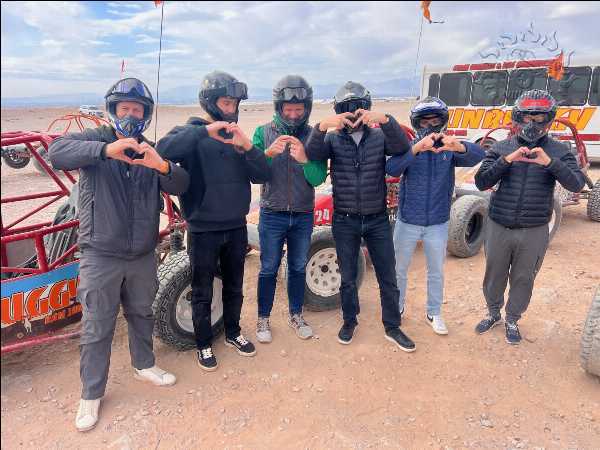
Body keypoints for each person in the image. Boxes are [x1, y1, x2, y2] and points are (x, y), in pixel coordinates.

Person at [49, 78, 189, 432]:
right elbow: (56, 152)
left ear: (146, 115)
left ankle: (144, 365)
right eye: (124, 109)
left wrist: (161, 166)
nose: (131, 115)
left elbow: (181, 184)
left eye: (137, 110)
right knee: (98, 325)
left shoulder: (150, 150)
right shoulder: (95, 140)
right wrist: (105, 151)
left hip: (142, 253)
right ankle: (91, 393)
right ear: (113, 111)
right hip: (100, 254)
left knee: (142, 313)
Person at [157, 71, 270, 370]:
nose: (232, 109)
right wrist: (205, 132)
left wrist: (248, 147)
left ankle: (233, 332)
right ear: (210, 102)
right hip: (203, 228)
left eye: (235, 103)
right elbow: (162, 151)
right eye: (226, 102)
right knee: (202, 290)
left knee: (234, 286)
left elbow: (263, 174)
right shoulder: (191, 132)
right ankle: (203, 343)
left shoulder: (237, 137)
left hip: (235, 226)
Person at [305, 81, 415, 351]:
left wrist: (385, 119)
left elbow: (402, 147)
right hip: (345, 220)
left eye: (359, 108)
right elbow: (312, 153)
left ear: (367, 108)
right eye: (347, 108)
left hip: (377, 219)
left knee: (387, 275)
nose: (353, 113)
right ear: (338, 111)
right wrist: (322, 126)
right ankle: (349, 321)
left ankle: (392, 326)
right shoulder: (332, 138)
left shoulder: (379, 136)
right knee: (348, 277)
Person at [473, 89, 585, 344]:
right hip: (499, 224)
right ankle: (493, 313)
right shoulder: (501, 147)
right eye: (526, 117)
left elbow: (577, 183)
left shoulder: (559, 150)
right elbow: (481, 182)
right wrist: (507, 160)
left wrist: (550, 163)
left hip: (534, 228)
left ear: (549, 120)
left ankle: (512, 319)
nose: (532, 123)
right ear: (517, 117)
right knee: (494, 274)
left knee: (524, 277)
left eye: (539, 118)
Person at [386, 97, 485, 335]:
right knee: (398, 269)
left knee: (436, 271)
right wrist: (416, 149)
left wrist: (458, 146)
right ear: (416, 123)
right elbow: (391, 169)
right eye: (424, 122)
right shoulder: (409, 146)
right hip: (407, 220)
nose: (430, 126)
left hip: (438, 222)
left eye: (434, 121)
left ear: (442, 122)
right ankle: (396, 308)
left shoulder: (449, 149)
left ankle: (434, 312)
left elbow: (479, 154)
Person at [252, 75, 327, 343]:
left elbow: (318, 178)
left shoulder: (314, 136)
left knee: (297, 267)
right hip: (272, 213)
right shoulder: (262, 132)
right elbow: (254, 175)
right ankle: (263, 318)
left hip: (303, 214)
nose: (294, 115)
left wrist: (305, 159)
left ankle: (296, 315)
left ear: (307, 108)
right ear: (279, 108)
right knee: (268, 268)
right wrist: (268, 154)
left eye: (299, 109)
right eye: (288, 109)